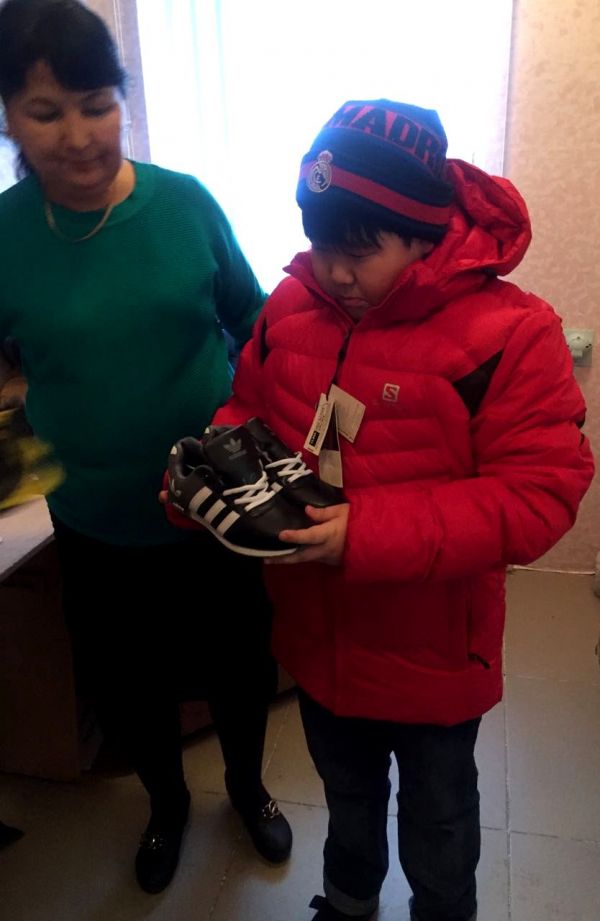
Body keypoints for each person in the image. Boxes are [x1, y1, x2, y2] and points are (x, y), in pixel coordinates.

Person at [194, 99, 595, 920]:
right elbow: (250, 411)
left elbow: (541, 493)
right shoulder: (290, 307)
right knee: (346, 796)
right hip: (317, 639)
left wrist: (365, 532)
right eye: (321, 242)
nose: (335, 270)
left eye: (359, 249)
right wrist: (211, 470)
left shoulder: (511, 334)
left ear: (423, 234)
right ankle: (348, 903)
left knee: (439, 817)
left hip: (433, 654)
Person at [0, 0, 291, 895]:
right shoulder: (5, 235)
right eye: (45, 112)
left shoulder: (184, 204)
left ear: (121, 99)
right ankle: (166, 806)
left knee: (239, 664)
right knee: (132, 683)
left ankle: (248, 787)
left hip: (218, 506)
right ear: (8, 117)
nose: (78, 136)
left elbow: (254, 322)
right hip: (93, 518)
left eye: (97, 104)